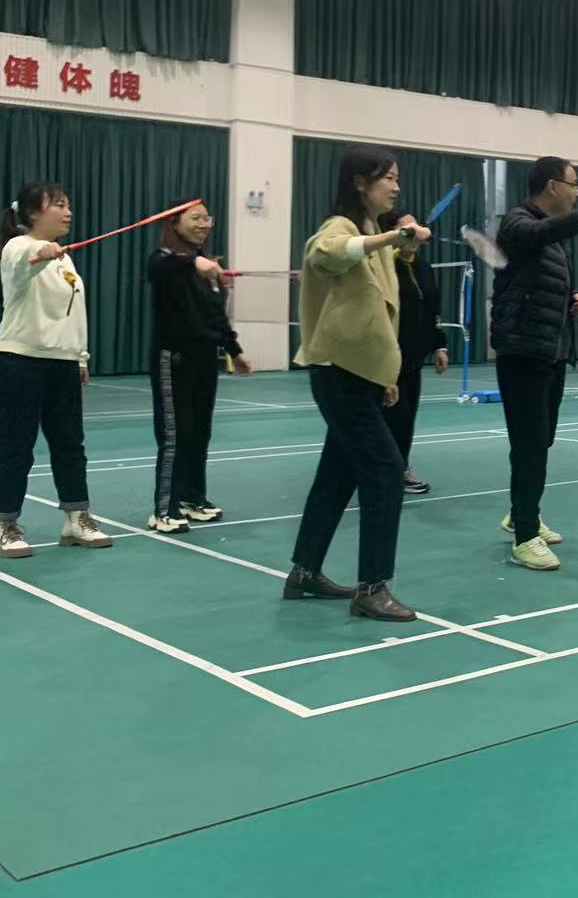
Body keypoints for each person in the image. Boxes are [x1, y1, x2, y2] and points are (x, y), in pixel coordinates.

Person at [286, 145, 426, 622]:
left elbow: (381, 311)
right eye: (388, 178)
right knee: (386, 473)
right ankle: (372, 589)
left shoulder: (373, 235)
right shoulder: (340, 228)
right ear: (360, 183)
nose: (396, 187)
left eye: (397, 178)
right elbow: (327, 253)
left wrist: (386, 376)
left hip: (363, 376)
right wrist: (393, 236)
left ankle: (304, 572)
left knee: (337, 475)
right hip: (338, 375)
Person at [491, 156, 578, 571]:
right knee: (529, 444)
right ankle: (525, 538)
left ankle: (521, 514)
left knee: (541, 440)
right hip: (522, 350)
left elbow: (539, 286)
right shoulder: (516, 222)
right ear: (552, 186)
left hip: (552, 350)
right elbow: (536, 234)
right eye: (574, 184)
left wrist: (572, 302)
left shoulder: (558, 241)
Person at [0, 182, 111, 558]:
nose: (68, 212)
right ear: (32, 213)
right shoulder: (17, 246)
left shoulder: (65, 259)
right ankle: (5, 526)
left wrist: (80, 356)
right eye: (58, 204)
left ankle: (77, 518)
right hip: (21, 360)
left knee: (70, 444)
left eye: (68, 204)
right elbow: (21, 265)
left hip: (62, 362)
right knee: (16, 445)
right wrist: (41, 253)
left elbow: (74, 312)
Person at [146, 201, 253, 534]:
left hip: (205, 359)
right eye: (195, 218)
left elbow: (216, 314)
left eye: (207, 218)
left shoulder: (208, 268)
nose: (204, 223)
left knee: (199, 433)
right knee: (175, 435)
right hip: (173, 358)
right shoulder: (165, 259)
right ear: (174, 224)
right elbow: (159, 267)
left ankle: (192, 498)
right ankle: (164, 508)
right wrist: (194, 261)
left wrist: (234, 351)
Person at [378, 210, 449, 496]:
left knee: (406, 419)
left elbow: (433, 308)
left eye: (415, 226)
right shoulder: (383, 266)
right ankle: (383, 471)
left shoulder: (424, 268)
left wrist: (439, 345)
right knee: (389, 418)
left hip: (413, 359)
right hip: (385, 357)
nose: (416, 231)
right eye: (407, 228)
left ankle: (399, 469)